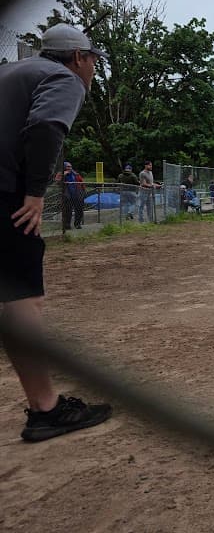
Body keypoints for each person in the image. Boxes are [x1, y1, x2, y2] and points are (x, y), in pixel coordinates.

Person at [0, 22, 112, 441]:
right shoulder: (62, 78)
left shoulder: (10, 70)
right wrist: (32, 194)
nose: (93, 69)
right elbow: (46, 126)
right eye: (93, 60)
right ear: (78, 57)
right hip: (6, 192)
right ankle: (45, 410)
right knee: (22, 298)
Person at [61, 161, 85, 230]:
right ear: (64, 167)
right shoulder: (61, 173)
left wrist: (83, 191)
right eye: (68, 166)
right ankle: (67, 225)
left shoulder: (75, 174)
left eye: (70, 166)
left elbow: (82, 182)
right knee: (68, 210)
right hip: (67, 195)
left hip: (77, 193)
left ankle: (77, 224)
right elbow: (57, 182)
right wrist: (63, 175)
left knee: (79, 209)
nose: (70, 168)